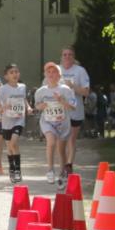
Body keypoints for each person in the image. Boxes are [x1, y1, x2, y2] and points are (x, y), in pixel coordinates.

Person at [35, 61, 76, 190]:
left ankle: (62, 174)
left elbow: (73, 106)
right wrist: (40, 106)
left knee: (61, 150)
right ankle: (50, 170)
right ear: (45, 75)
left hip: (63, 123)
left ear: (59, 75)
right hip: (47, 122)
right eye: (48, 72)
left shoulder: (65, 90)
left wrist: (62, 101)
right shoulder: (41, 92)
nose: (51, 74)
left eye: (54, 72)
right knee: (51, 142)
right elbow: (37, 105)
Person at [0, 63, 32, 183]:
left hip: (18, 119)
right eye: (11, 72)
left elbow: (23, 99)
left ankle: (17, 170)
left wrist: (28, 107)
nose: (15, 74)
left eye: (16, 72)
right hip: (6, 121)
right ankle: (12, 167)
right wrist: (1, 107)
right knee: (11, 146)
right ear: (6, 76)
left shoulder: (22, 86)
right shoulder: (3, 89)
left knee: (13, 142)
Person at [57, 46, 90, 173]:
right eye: (64, 54)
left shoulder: (80, 71)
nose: (67, 57)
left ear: (73, 57)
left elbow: (86, 92)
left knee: (71, 138)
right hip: (59, 112)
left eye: (70, 54)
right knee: (61, 141)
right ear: (61, 56)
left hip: (75, 111)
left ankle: (69, 165)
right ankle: (63, 165)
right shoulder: (56, 70)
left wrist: (72, 86)